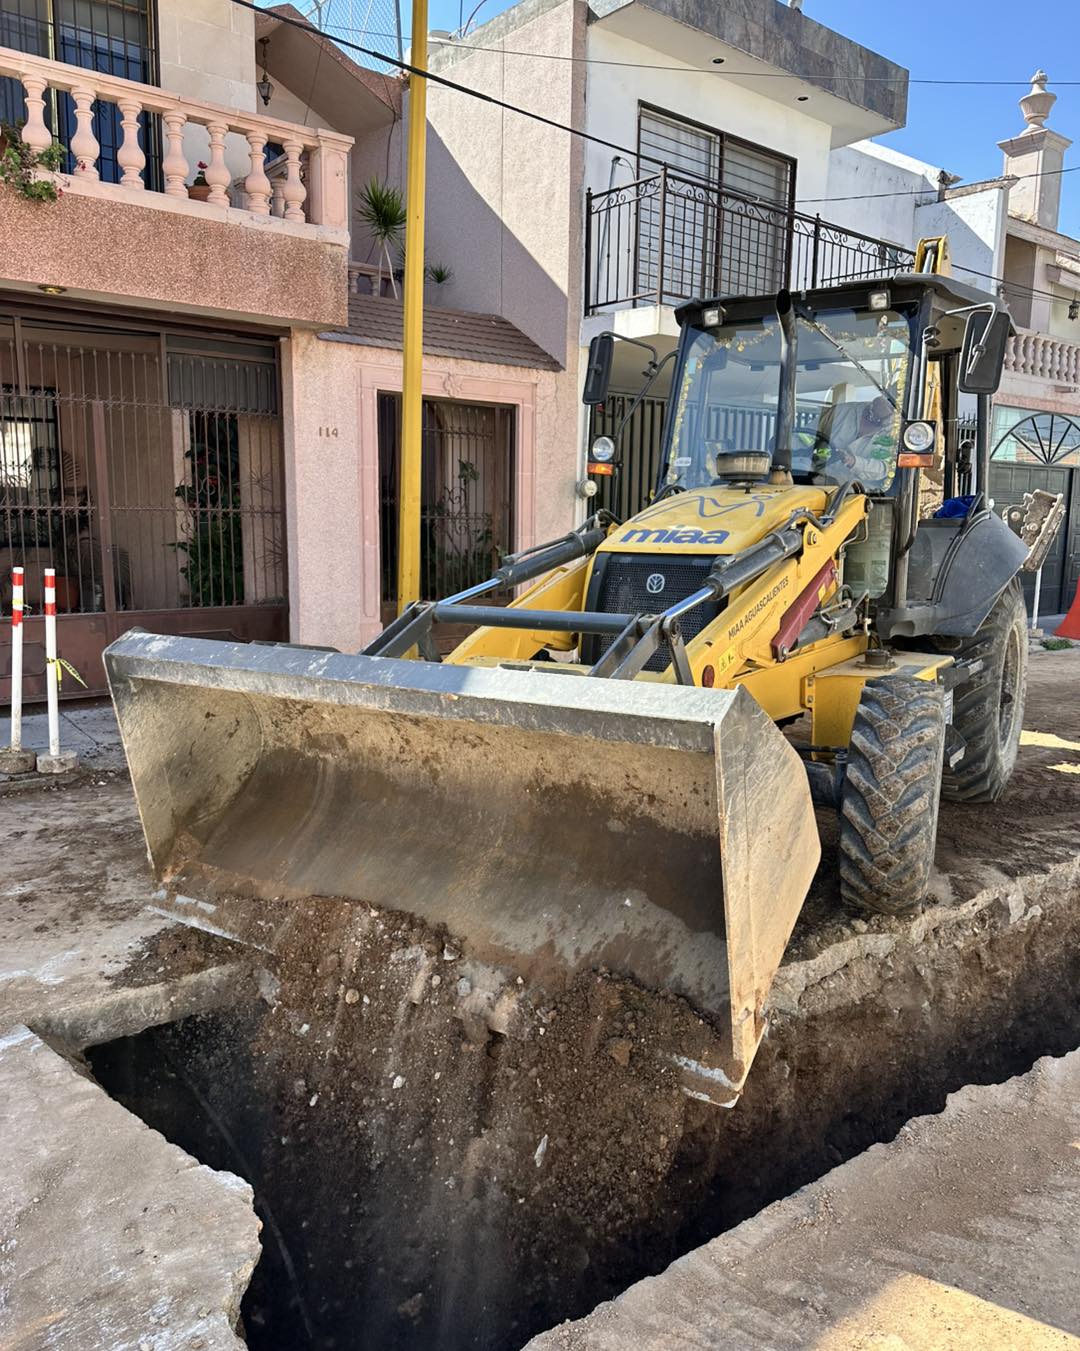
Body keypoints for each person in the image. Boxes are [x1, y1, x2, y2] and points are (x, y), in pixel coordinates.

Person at [812, 393, 897, 489]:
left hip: (859, 494)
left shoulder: (894, 432)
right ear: (879, 398)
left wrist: (853, 462)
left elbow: (883, 468)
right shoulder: (840, 412)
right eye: (891, 404)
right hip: (817, 483)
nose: (892, 413)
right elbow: (801, 439)